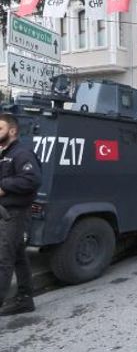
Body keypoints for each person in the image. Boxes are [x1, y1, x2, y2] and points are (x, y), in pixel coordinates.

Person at [0, 114, 42, 317]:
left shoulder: (22, 153)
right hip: (6, 212)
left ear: (12, 131)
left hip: (14, 214)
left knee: (3, 260)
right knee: (18, 257)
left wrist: (4, 186)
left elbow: (31, 180)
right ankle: (25, 299)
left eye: (0, 128)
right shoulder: (5, 153)